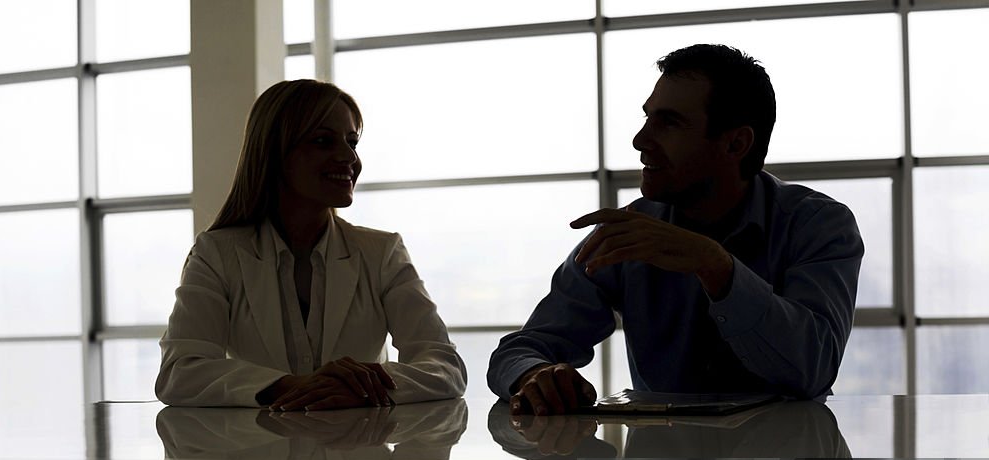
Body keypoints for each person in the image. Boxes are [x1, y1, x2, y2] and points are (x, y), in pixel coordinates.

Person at [487, 44, 863, 415]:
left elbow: (813, 370)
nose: (640, 141)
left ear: (736, 143)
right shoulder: (631, 232)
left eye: (668, 122)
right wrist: (536, 374)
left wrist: (718, 268)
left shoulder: (818, 225)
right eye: (648, 117)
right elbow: (519, 351)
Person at [156, 79, 466, 409]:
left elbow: (445, 367)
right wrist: (289, 387)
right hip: (256, 456)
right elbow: (179, 372)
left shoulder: (382, 252)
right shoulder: (216, 254)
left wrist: (361, 387)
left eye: (352, 142)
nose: (349, 157)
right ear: (275, 152)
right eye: (322, 141)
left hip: (363, 455)